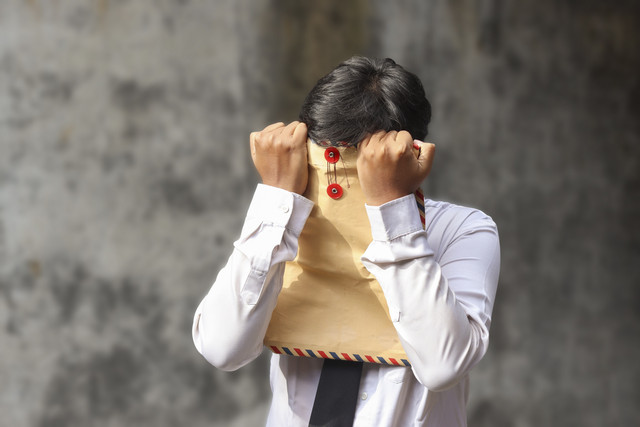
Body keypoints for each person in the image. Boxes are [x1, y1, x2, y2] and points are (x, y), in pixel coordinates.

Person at [192, 56, 500, 426]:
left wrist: (391, 208)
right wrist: (276, 199)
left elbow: (443, 365)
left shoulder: (463, 229)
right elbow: (222, 348)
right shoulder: (282, 221)